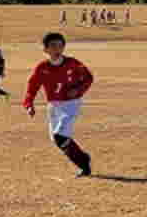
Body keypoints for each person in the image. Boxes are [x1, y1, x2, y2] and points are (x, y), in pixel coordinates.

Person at [20, 32, 94, 178]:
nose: (57, 49)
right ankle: (83, 158)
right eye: (53, 46)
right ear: (45, 49)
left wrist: (78, 90)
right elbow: (32, 86)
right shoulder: (42, 67)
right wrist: (29, 104)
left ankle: (84, 164)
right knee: (56, 139)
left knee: (60, 136)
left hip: (71, 104)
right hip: (54, 105)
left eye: (60, 45)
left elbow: (88, 78)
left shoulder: (73, 63)